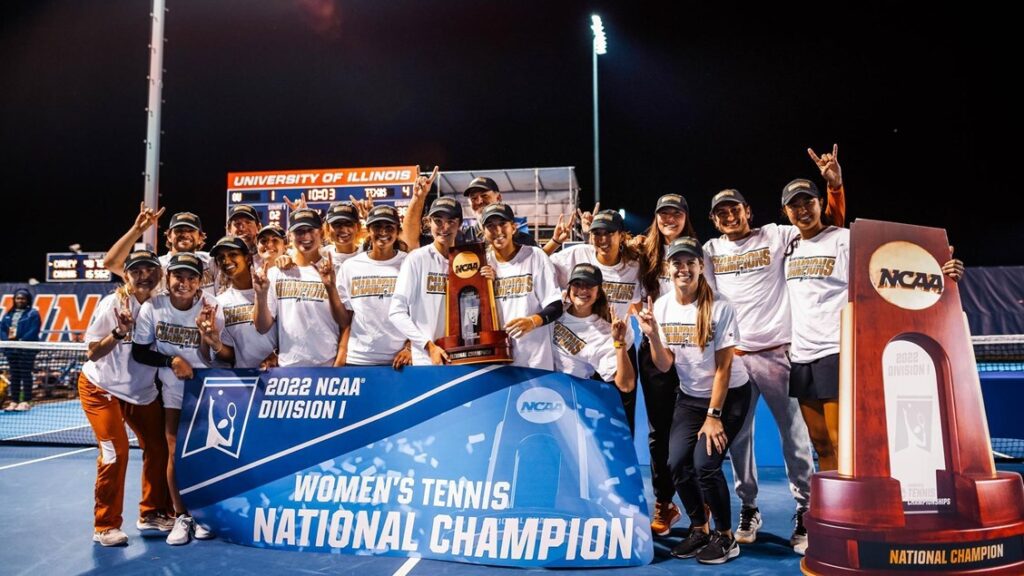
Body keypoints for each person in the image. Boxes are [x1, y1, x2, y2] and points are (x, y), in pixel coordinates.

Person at [701, 145, 845, 552]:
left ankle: (806, 509)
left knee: (796, 439)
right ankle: (749, 507)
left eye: (735, 209)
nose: (729, 216)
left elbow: (828, 229)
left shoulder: (778, 235)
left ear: (749, 210)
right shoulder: (710, 251)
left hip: (781, 354)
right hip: (737, 359)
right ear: (714, 220)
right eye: (721, 212)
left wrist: (834, 188)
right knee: (738, 441)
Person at [637, 236, 751, 565]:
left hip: (728, 397)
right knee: (675, 463)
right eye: (677, 263)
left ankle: (726, 536)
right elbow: (665, 365)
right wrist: (652, 335)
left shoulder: (720, 306)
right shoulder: (661, 307)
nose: (683, 268)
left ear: (701, 266)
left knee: (705, 464)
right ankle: (699, 528)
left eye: (690, 262)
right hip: (689, 396)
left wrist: (714, 417)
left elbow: (724, 368)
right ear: (668, 268)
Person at [79, 249, 174, 546]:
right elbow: (93, 352)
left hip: (141, 392)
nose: (144, 276)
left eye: (150, 270)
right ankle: (105, 525)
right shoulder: (113, 304)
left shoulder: (164, 306)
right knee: (115, 452)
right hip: (101, 388)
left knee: (159, 448)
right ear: (127, 276)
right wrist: (119, 332)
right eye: (136, 271)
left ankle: (151, 513)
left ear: (159, 273)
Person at [131, 252, 221, 545]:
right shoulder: (153, 307)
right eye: (178, 276)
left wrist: (209, 338)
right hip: (172, 390)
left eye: (191, 277)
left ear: (200, 281)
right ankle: (182, 515)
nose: (184, 283)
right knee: (174, 453)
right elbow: (139, 351)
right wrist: (171, 361)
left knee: (207, 453)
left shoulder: (212, 306)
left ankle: (204, 514)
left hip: (207, 390)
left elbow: (222, 354)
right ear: (167, 278)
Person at [635, 193, 698, 536]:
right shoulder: (643, 253)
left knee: (693, 428)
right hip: (656, 349)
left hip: (692, 347)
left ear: (686, 217)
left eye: (676, 214)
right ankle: (664, 503)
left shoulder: (701, 252)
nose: (669, 219)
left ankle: (700, 501)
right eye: (663, 214)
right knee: (659, 431)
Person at [548, 210, 642, 432]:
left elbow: (640, 300)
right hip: (576, 362)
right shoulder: (576, 255)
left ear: (621, 235)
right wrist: (554, 242)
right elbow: (536, 267)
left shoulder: (634, 266)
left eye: (609, 233)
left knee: (619, 419)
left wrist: (643, 329)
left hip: (613, 341)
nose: (602, 238)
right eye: (597, 233)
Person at [253, 208, 348, 367]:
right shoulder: (276, 273)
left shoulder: (336, 270)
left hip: (327, 364)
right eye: (299, 231)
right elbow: (262, 327)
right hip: (288, 366)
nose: (305, 236)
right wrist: (261, 296)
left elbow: (345, 322)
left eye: (310, 230)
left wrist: (331, 287)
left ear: (321, 232)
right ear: (290, 236)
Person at [479, 203, 562, 370]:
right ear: (484, 231)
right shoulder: (482, 262)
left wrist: (532, 321)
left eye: (502, 224)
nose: (498, 230)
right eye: (490, 226)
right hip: (497, 360)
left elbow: (556, 305)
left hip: (535, 361)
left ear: (513, 227)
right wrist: (485, 286)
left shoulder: (534, 255)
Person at [389, 197, 463, 365]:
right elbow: (396, 312)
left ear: (459, 224)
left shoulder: (468, 259)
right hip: (427, 359)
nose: (444, 227)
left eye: (451, 221)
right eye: (438, 221)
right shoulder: (416, 259)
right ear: (429, 222)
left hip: (462, 356)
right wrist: (428, 346)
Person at [336, 205, 411, 368]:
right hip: (358, 358)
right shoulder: (350, 266)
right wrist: (341, 354)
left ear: (397, 231)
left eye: (389, 227)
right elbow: (346, 319)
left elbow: (419, 313)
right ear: (368, 229)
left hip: (399, 360)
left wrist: (410, 347)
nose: (383, 232)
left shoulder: (409, 263)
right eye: (377, 226)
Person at [552, 263, 636, 396]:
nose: (582, 290)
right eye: (577, 284)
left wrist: (619, 343)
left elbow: (626, 385)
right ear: (569, 288)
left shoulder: (603, 333)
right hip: (536, 385)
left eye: (589, 285)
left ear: (598, 293)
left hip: (569, 396)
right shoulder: (554, 310)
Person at [207, 236, 277, 368]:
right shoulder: (220, 303)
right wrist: (216, 344)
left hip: (281, 373)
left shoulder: (271, 288)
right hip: (246, 376)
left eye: (233, 254)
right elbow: (231, 355)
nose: (226, 261)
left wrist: (278, 354)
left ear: (247, 258)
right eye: (221, 258)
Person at [1, 288, 42, 411]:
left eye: (23, 298)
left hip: (26, 349)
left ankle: (26, 401)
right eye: (18, 298)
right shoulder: (8, 314)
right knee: (14, 375)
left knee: (25, 374)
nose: (20, 300)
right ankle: (14, 401)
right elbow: (2, 329)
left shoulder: (33, 314)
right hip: (11, 350)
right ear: (14, 300)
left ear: (27, 300)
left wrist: (21, 341)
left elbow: (34, 330)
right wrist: (7, 342)